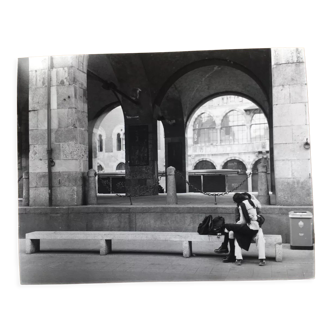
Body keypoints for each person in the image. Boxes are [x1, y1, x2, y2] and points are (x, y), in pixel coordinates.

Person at [220, 193, 266, 266]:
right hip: (244, 228)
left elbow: (262, 219)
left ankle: (262, 259)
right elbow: (238, 220)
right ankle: (238, 258)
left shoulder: (254, 206)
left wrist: (256, 218)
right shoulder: (238, 208)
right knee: (237, 238)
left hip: (255, 228)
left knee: (260, 238)